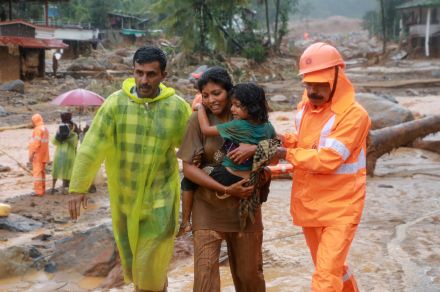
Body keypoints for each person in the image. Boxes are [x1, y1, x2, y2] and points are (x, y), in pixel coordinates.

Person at [67, 46, 191, 291]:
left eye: (151, 74)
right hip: (125, 200)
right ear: (132, 72)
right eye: (139, 73)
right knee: (137, 264)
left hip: (160, 199)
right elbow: (93, 145)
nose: (144, 80)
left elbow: (192, 149)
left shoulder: (176, 108)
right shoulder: (115, 104)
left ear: (163, 76)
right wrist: (78, 187)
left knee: (149, 263)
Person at [274, 42, 371, 291]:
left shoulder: (353, 115)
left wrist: (286, 153)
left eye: (320, 84)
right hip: (310, 204)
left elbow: (328, 159)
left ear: (337, 77)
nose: (313, 91)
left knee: (325, 277)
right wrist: (283, 140)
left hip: (341, 207)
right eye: (309, 84)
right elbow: (306, 142)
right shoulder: (304, 107)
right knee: (332, 268)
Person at [177, 67, 266, 292]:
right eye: (205, 96)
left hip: (246, 208)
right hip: (208, 207)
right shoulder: (198, 120)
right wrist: (225, 189)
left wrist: (253, 149)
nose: (211, 100)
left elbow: (275, 150)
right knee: (205, 279)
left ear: (230, 90)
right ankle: (186, 221)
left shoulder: (251, 116)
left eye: (217, 93)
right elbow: (188, 169)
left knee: (250, 278)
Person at [51, 112, 79, 195]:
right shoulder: (74, 126)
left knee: (56, 169)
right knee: (68, 170)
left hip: (60, 151)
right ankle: (65, 188)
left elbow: (55, 140)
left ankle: (53, 187)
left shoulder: (60, 126)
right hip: (70, 152)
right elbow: (76, 140)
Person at [28, 113, 50, 196]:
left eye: (32, 121)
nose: (31, 122)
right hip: (44, 154)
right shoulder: (45, 128)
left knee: (37, 174)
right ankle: (42, 190)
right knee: (42, 173)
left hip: (38, 155)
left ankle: (39, 192)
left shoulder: (37, 129)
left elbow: (36, 144)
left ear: (35, 120)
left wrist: (31, 155)